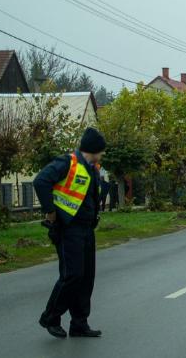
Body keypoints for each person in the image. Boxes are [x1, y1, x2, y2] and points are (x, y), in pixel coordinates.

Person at [35, 127, 106, 339]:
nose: (102, 154)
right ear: (92, 149)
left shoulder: (92, 168)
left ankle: (79, 324)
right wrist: (50, 211)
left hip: (86, 229)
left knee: (86, 278)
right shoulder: (68, 162)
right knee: (72, 275)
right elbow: (41, 181)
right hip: (68, 229)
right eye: (101, 150)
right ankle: (50, 317)